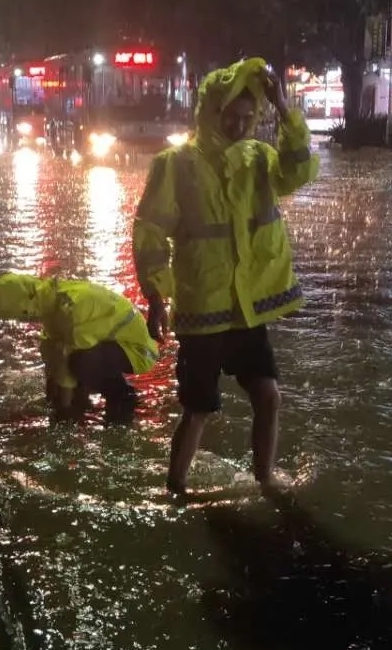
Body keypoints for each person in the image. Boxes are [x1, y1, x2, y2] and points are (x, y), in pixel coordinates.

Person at [133, 56, 320, 495]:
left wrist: (284, 105)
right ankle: (175, 491)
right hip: (203, 311)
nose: (238, 126)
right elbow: (151, 232)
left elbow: (299, 171)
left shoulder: (259, 158)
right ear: (209, 113)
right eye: (230, 116)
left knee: (269, 397)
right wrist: (157, 297)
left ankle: (265, 482)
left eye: (247, 117)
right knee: (198, 409)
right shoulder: (176, 164)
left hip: (246, 309)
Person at [0, 273, 158, 423]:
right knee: (75, 365)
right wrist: (51, 398)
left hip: (138, 350)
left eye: (20, 316)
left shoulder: (70, 310)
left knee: (81, 363)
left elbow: (68, 361)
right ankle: (86, 400)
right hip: (110, 343)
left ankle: (122, 396)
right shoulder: (50, 299)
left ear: (26, 308)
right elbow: (53, 352)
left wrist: (64, 412)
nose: (22, 322)